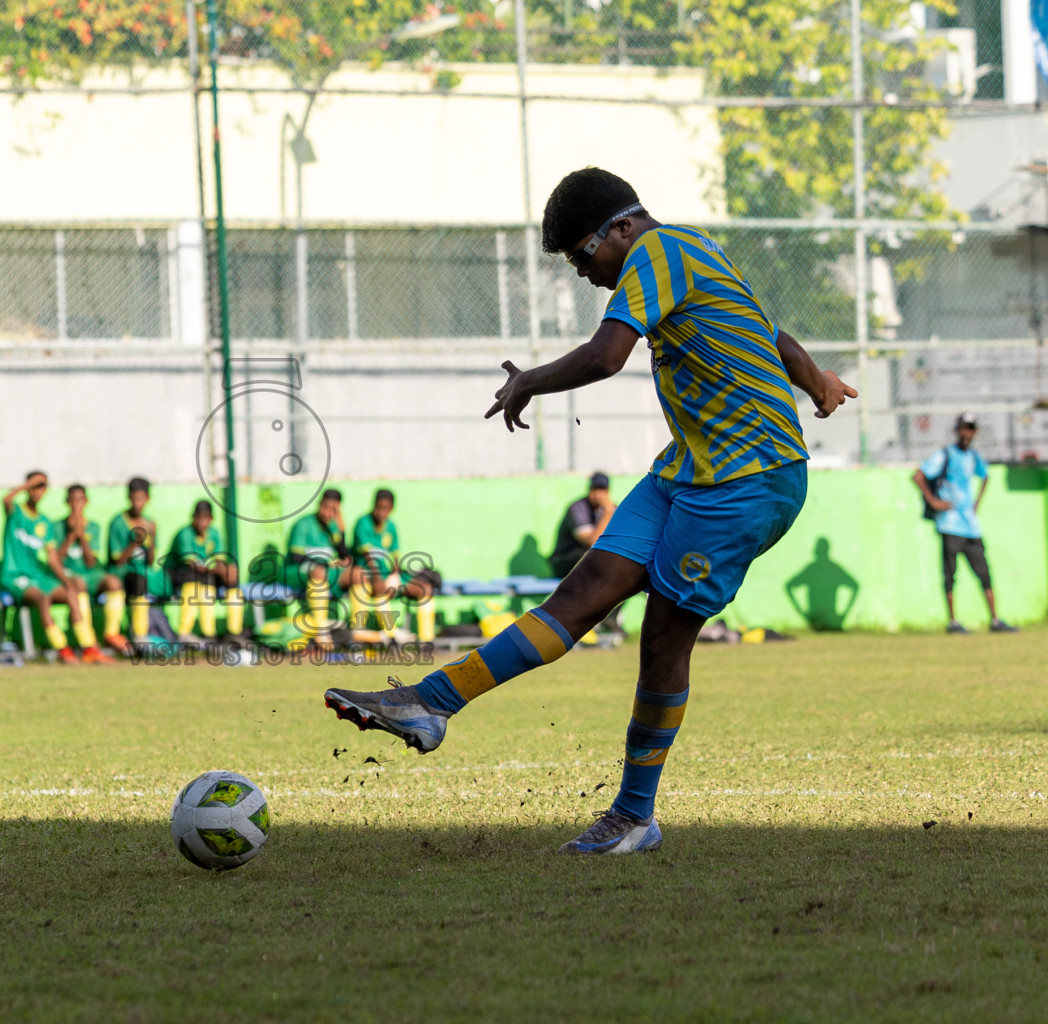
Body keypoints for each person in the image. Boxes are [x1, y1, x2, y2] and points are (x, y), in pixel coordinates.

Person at [324, 166, 858, 855]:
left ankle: (635, 814)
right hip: (688, 471)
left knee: (663, 638)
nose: (581, 271)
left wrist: (529, 382)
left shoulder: (656, 253)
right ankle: (431, 703)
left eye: (582, 254)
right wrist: (818, 383)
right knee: (585, 590)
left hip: (748, 480)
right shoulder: (696, 252)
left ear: (624, 228)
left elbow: (608, 357)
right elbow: (771, 333)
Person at [914, 413, 1018, 634]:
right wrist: (934, 501)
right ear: (957, 430)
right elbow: (918, 475)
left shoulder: (973, 457)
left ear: (974, 432)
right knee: (950, 574)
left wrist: (977, 503)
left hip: (970, 526)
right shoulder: (946, 455)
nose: (967, 433)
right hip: (950, 525)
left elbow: (985, 476)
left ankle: (995, 620)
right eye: (963, 428)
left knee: (984, 572)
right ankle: (953, 622)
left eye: (970, 428)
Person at [1, 471, 109, 665]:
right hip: (16, 576)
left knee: (71, 594)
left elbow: (52, 560)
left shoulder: (44, 522)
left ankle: (89, 647)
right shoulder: (16, 512)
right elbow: (6, 499)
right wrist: (26, 485)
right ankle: (62, 648)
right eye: (34, 486)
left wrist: (67, 583)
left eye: (42, 486)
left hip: (38, 575)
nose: (38, 491)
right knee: (43, 598)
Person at [350, 488, 436, 642]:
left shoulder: (391, 527)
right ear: (374, 505)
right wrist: (378, 580)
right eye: (379, 507)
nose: (381, 512)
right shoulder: (363, 523)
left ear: (391, 509)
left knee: (425, 589)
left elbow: (395, 555)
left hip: (386, 575)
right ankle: (391, 638)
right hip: (369, 575)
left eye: (386, 508)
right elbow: (367, 555)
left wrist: (394, 575)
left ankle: (426, 641)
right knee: (381, 592)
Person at [58, 484, 131, 656]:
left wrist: (81, 536)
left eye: (80, 500)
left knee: (114, 583)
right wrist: (70, 536)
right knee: (79, 585)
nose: (77, 504)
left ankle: (111, 633)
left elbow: (91, 563)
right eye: (73, 500)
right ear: (67, 502)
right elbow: (57, 560)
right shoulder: (57, 527)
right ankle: (89, 643)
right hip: (69, 575)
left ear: (86, 501)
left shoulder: (94, 527)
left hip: (90, 574)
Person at [285, 489, 364, 646]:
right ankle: (322, 633)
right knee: (318, 571)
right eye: (326, 508)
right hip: (296, 571)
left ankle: (357, 631)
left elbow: (344, 556)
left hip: (325, 573)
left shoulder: (332, 527)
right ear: (320, 504)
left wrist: (341, 531)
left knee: (358, 573)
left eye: (333, 510)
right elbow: (297, 556)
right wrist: (327, 564)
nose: (328, 513)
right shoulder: (303, 524)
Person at [550, 472, 623, 637]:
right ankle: (588, 621)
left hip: (592, 565)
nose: (597, 494)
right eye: (594, 489)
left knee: (626, 567)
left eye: (601, 489)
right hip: (564, 561)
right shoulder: (577, 508)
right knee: (595, 554)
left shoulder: (614, 509)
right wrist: (608, 512)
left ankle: (609, 618)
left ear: (608, 491)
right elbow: (593, 541)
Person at [167, 500, 244, 640]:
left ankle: (234, 633)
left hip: (206, 575)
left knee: (232, 581)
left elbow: (219, 560)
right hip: (179, 577)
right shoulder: (184, 534)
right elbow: (193, 565)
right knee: (197, 580)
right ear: (193, 517)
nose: (202, 523)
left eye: (205, 518)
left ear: (211, 519)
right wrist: (220, 570)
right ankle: (193, 633)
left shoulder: (214, 534)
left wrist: (227, 570)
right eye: (198, 518)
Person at [106, 477, 162, 644]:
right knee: (138, 582)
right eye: (134, 498)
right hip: (122, 573)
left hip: (143, 573)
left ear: (148, 499)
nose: (138, 503)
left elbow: (150, 561)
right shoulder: (118, 522)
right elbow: (117, 561)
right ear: (128, 497)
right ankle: (138, 635)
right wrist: (135, 542)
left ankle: (149, 634)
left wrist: (151, 539)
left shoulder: (150, 524)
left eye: (142, 499)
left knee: (154, 582)